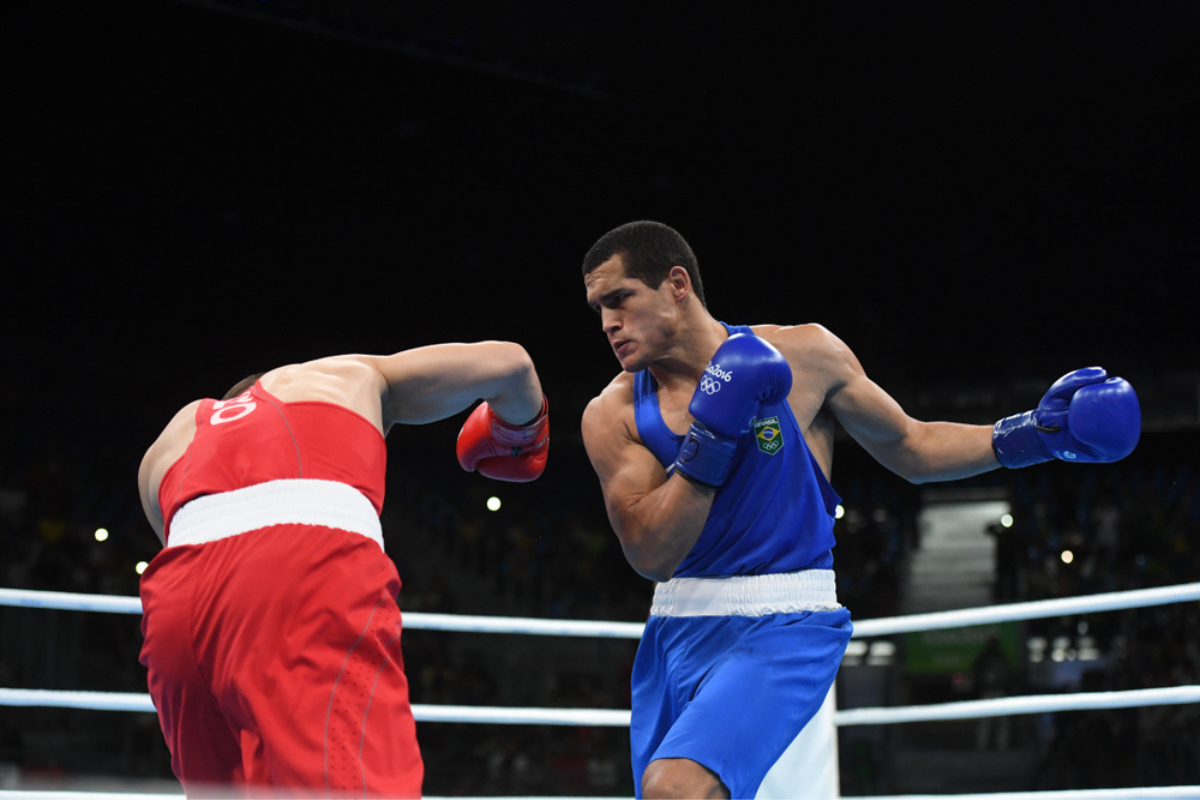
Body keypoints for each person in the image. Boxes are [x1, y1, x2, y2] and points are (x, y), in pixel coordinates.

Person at [579, 220, 1140, 800]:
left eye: (620, 299)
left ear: (677, 283)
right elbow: (651, 553)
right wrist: (712, 436)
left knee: (676, 787)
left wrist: (1032, 436)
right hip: (674, 630)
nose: (608, 324)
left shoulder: (805, 355)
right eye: (597, 309)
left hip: (785, 618)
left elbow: (911, 445)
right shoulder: (612, 414)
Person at [136, 343, 550, 798]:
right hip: (297, 569)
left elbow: (188, 554)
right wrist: (521, 432)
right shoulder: (336, 377)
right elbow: (512, 364)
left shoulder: (169, 440)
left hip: (175, 606)